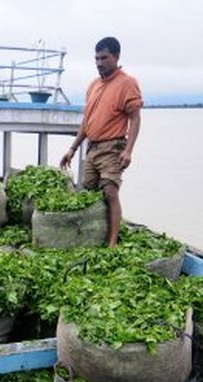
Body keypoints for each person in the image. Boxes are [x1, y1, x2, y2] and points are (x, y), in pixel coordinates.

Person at [59, 37, 142, 248]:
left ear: (116, 57)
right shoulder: (94, 85)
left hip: (113, 147)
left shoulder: (127, 83)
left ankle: (112, 243)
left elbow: (135, 118)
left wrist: (129, 151)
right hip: (92, 148)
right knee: (89, 193)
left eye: (104, 57)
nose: (99, 62)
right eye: (96, 58)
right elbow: (87, 121)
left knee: (110, 192)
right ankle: (93, 234)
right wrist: (73, 148)